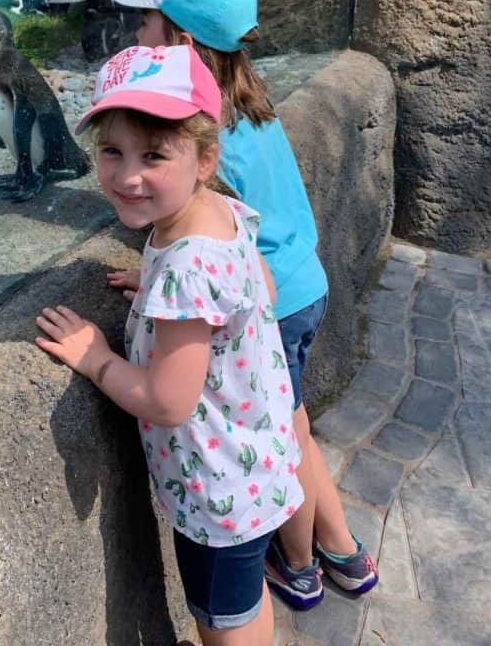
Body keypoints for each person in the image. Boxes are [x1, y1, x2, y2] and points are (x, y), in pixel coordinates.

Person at [109, 0, 379, 610]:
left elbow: (203, 242)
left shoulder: (207, 129)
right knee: (295, 428)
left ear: (181, 41)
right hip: (300, 281)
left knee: (285, 439)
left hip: (274, 301)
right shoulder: (249, 100)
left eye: (145, 24)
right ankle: (344, 553)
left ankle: (299, 565)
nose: (135, 36)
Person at [35, 43, 303, 646]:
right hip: (256, 464)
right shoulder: (223, 213)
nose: (127, 176)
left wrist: (95, 357)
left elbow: (167, 400)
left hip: (217, 494)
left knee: (220, 623)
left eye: (153, 154)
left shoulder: (187, 266)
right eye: (111, 151)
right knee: (244, 600)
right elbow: (257, 287)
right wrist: (164, 293)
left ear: (204, 157)